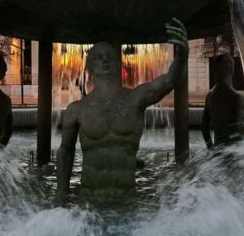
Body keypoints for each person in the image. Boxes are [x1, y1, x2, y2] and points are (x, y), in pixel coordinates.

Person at [56, 19, 189, 201]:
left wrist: (182, 57)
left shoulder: (135, 99)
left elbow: (169, 80)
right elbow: (65, 151)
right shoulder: (76, 110)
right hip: (89, 200)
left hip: (128, 199)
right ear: (89, 66)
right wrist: (61, 192)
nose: (105, 59)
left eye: (110, 56)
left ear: (119, 63)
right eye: (99, 56)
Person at [201, 54, 244, 149]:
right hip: (235, 155)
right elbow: (241, 131)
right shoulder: (238, 98)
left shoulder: (209, 97)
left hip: (218, 151)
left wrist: (211, 148)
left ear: (215, 72)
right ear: (232, 70)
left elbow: (203, 127)